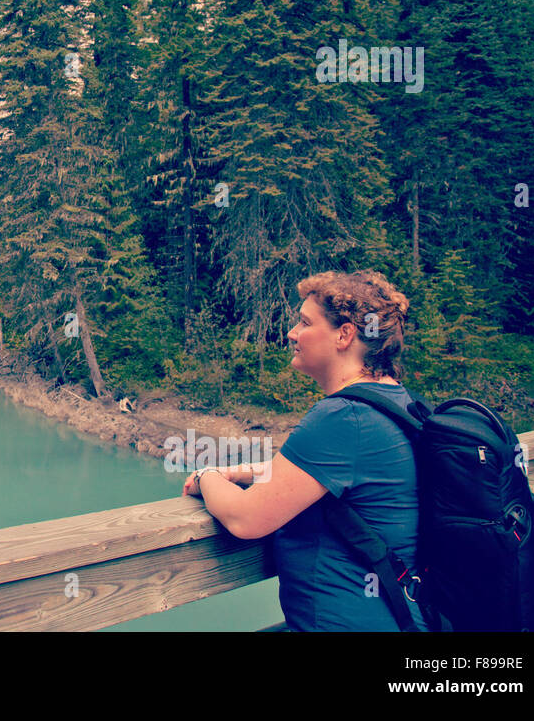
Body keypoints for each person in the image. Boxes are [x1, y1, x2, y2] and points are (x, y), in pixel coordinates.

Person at [183, 269, 428, 631]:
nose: (291, 333)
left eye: (304, 322)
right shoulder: (398, 403)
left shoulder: (344, 417)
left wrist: (208, 477)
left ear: (344, 335)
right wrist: (244, 471)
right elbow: (327, 474)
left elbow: (246, 519)